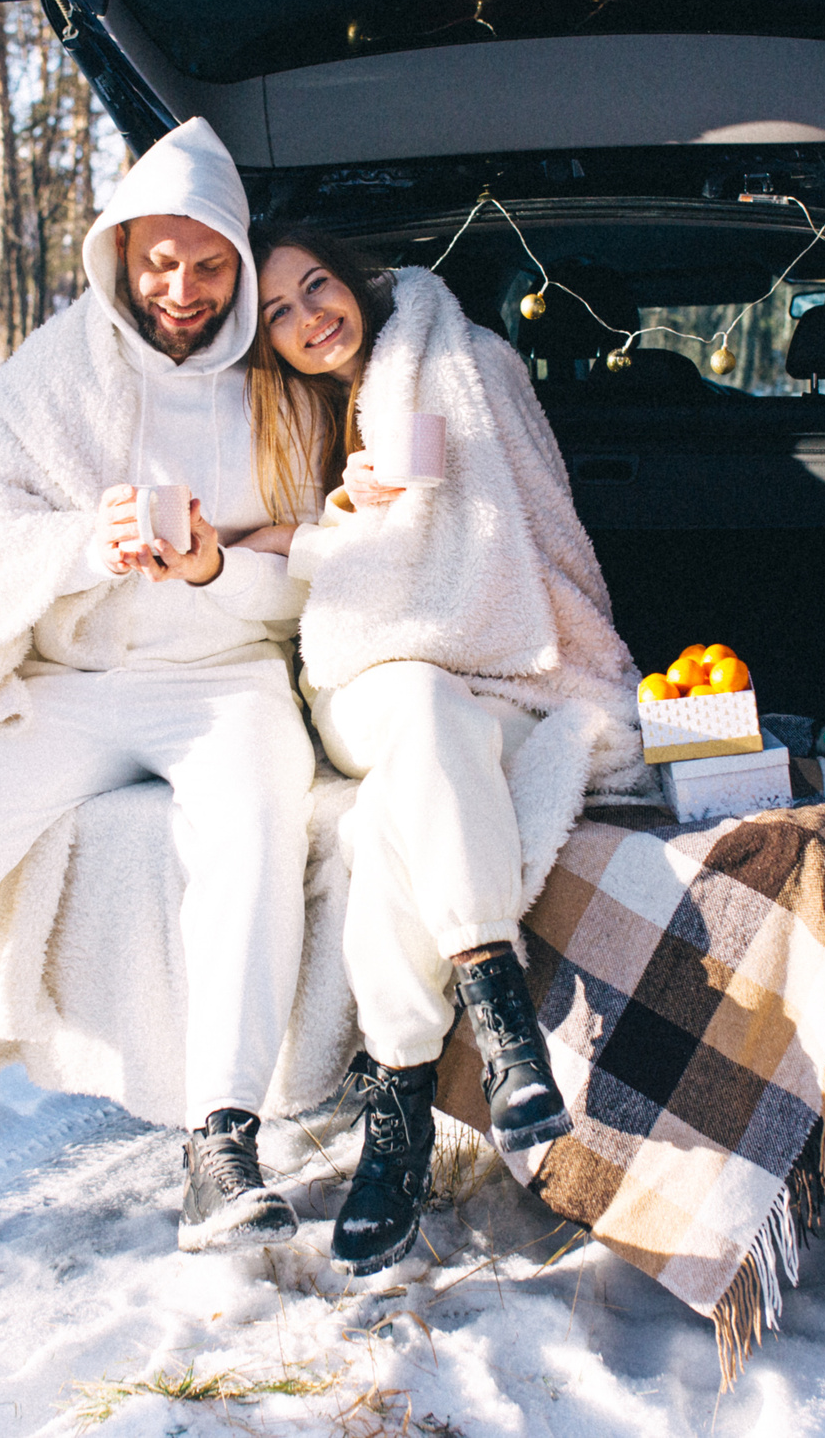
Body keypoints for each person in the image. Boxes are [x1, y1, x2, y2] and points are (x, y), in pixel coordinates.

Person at [0, 120, 315, 1255]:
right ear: (118, 250)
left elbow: (319, 570)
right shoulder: (48, 375)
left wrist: (216, 568)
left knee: (252, 828)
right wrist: (88, 545)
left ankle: (223, 1144)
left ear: (240, 263)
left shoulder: (283, 388)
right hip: (76, 676)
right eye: (159, 260)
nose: (181, 289)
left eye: (209, 265)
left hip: (226, 677)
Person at [237, 224, 650, 1275]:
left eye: (316, 286)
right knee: (419, 703)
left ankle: (401, 1110)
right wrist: (340, 519)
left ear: (355, 278)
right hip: (369, 676)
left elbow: (502, 530)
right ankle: (499, 1009)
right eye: (279, 312)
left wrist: (396, 522)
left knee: (393, 823)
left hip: (500, 669)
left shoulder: (466, 366)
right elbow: (308, 550)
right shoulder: (286, 412)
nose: (308, 319)